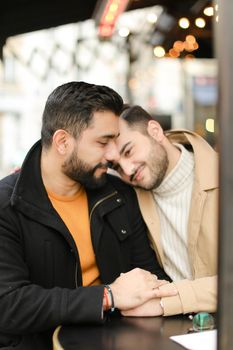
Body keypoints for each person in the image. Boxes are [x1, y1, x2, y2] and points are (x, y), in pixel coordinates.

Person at [0, 84, 176, 350]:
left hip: (122, 341)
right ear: (62, 142)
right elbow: (9, 304)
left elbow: (149, 274)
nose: (113, 155)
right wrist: (107, 297)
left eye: (115, 141)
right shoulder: (7, 205)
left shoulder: (118, 195)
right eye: (103, 142)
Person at [112, 104, 218, 317]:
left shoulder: (223, 175)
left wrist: (164, 303)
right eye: (116, 166)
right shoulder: (131, 199)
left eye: (129, 151)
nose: (128, 170)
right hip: (180, 330)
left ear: (155, 131)